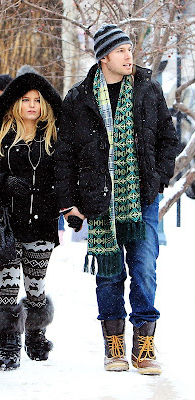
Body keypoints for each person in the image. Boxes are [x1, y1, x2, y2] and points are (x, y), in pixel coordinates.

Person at [54, 24, 179, 375]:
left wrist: (156, 180)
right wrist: (69, 202)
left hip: (141, 200)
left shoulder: (147, 89)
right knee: (108, 275)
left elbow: (169, 140)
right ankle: (115, 345)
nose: (129, 56)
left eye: (130, 50)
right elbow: (65, 156)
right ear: (104, 57)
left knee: (143, 271)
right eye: (121, 50)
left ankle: (144, 347)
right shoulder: (79, 98)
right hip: (99, 201)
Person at [0, 72, 62, 371]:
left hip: (42, 223)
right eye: (25, 100)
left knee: (35, 286)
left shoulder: (54, 137)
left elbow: (65, 179)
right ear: (14, 103)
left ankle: (36, 334)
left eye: (37, 100)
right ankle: (9, 345)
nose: (31, 105)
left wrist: (67, 205)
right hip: (8, 225)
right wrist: (6, 181)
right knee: (8, 287)